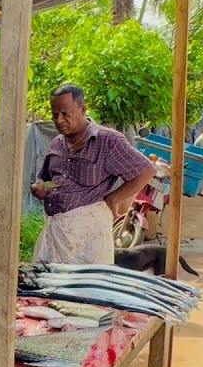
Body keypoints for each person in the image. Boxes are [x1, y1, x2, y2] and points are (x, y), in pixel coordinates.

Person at [30, 84, 155, 264]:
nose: (59, 120)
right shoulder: (57, 143)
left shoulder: (107, 140)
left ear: (82, 109)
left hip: (90, 236)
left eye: (65, 113)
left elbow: (146, 170)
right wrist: (41, 188)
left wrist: (113, 199)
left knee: (84, 288)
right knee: (45, 287)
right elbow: (47, 178)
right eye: (55, 114)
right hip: (56, 233)